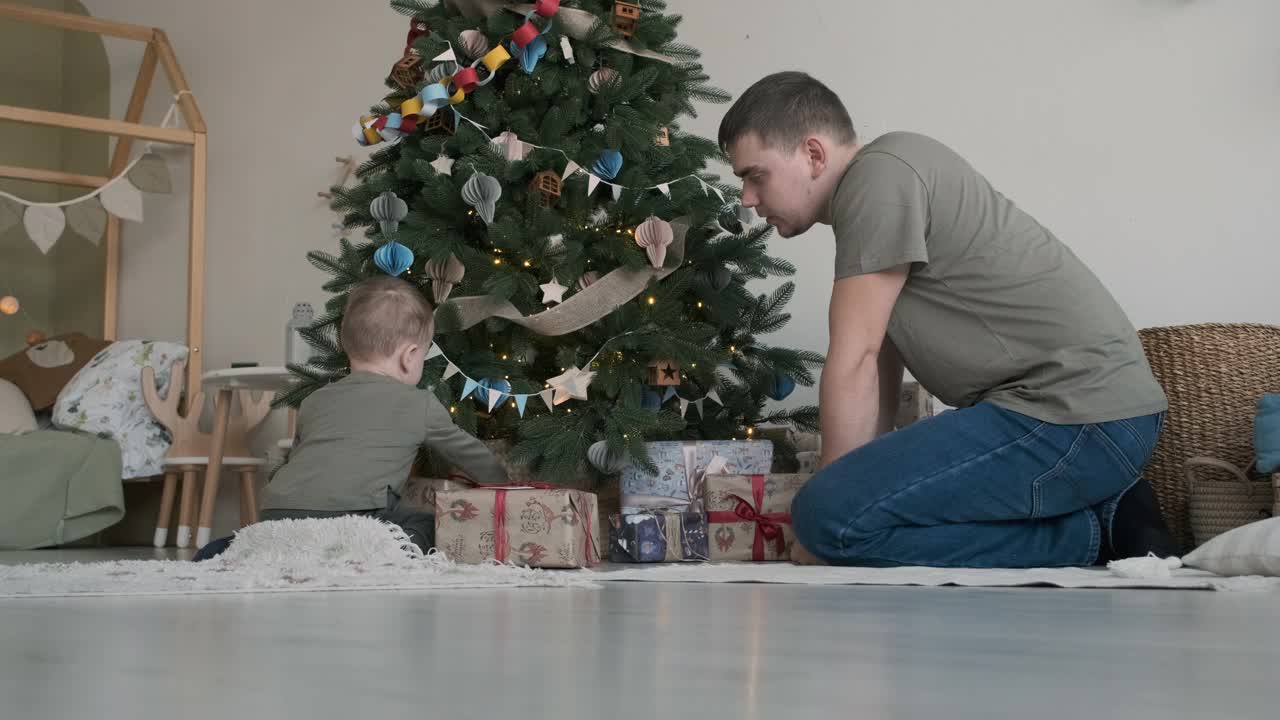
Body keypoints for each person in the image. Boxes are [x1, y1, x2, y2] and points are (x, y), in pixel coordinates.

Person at [718, 71, 1179, 568]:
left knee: (828, 518)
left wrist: (829, 516)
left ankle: (1095, 532)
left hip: (1073, 417)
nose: (746, 197)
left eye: (755, 175)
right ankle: (1114, 513)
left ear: (812, 154)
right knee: (837, 513)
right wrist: (853, 492)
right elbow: (877, 373)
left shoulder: (879, 181)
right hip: (1080, 419)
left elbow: (855, 358)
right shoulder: (884, 181)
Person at [193, 276, 507, 560]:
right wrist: (504, 483)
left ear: (347, 345)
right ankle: (382, 553)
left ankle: (229, 550)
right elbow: (468, 452)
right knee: (426, 523)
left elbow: (298, 455)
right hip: (356, 514)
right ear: (409, 356)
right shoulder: (419, 403)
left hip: (279, 509)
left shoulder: (316, 399)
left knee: (261, 541)